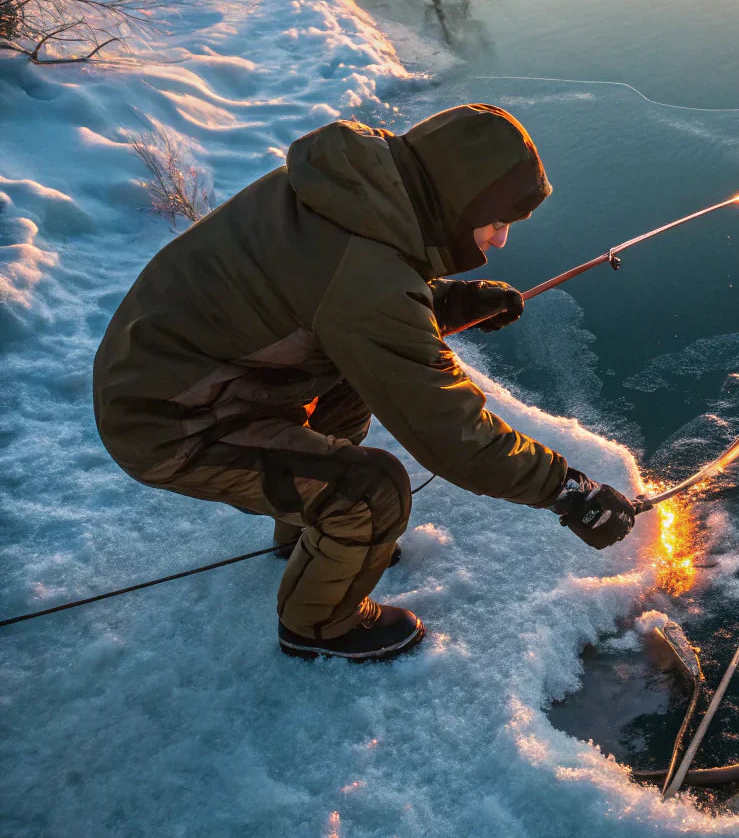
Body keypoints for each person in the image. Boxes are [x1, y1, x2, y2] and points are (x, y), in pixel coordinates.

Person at [93, 104, 640, 662]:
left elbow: (328, 300)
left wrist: (447, 301)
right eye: (497, 221)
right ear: (458, 201)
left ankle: (310, 535)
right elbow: (452, 432)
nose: (500, 240)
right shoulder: (367, 277)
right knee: (373, 493)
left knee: (351, 388)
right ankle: (318, 626)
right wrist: (569, 492)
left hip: (189, 375)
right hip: (169, 422)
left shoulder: (348, 190)